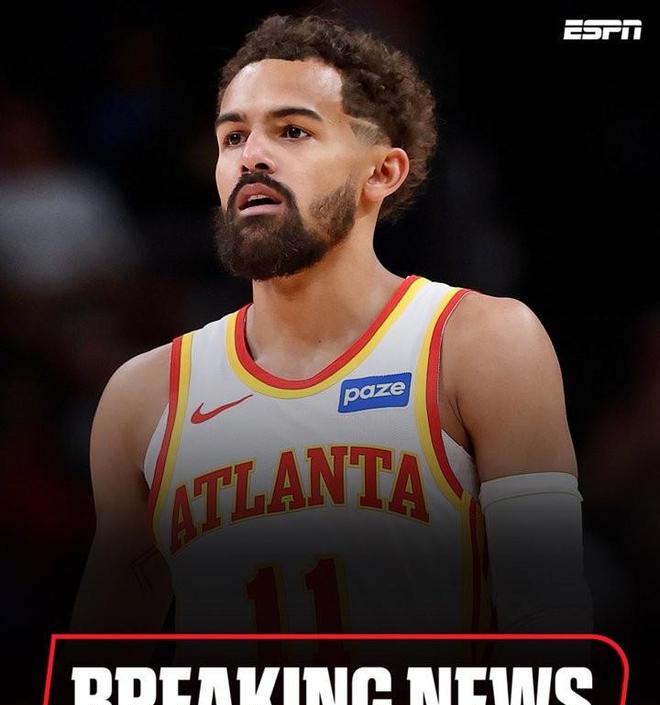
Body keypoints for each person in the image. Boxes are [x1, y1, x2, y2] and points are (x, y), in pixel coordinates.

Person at [71, 14, 592, 636]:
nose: (251, 156)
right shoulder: (144, 397)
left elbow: (551, 629)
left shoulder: (480, 343)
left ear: (382, 172)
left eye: (292, 130)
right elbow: (98, 666)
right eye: (232, 137)